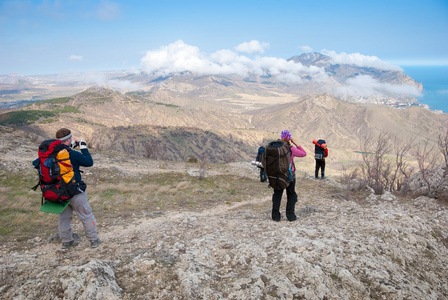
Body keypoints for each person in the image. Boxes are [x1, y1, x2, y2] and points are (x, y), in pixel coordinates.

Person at [55, 128, 101, 249]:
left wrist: (71, 147)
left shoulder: (53, 154)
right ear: (69, 139)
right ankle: (94, 240)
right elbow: (89, 162)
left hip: (59, 192)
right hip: (75, 191)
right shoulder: (73, 155)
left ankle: (66, 241)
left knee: (64, 217)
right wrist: (83, 147)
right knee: (86, 215)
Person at [271, 130, 307, 222]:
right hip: (289, 176)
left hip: (277, 175)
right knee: (291, 195)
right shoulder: (290, 148)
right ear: (289, 138)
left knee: (277, 195)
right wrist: (295, 143)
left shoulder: (274, 148)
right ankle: (290, 216)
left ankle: (275, 217)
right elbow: (303, 153)